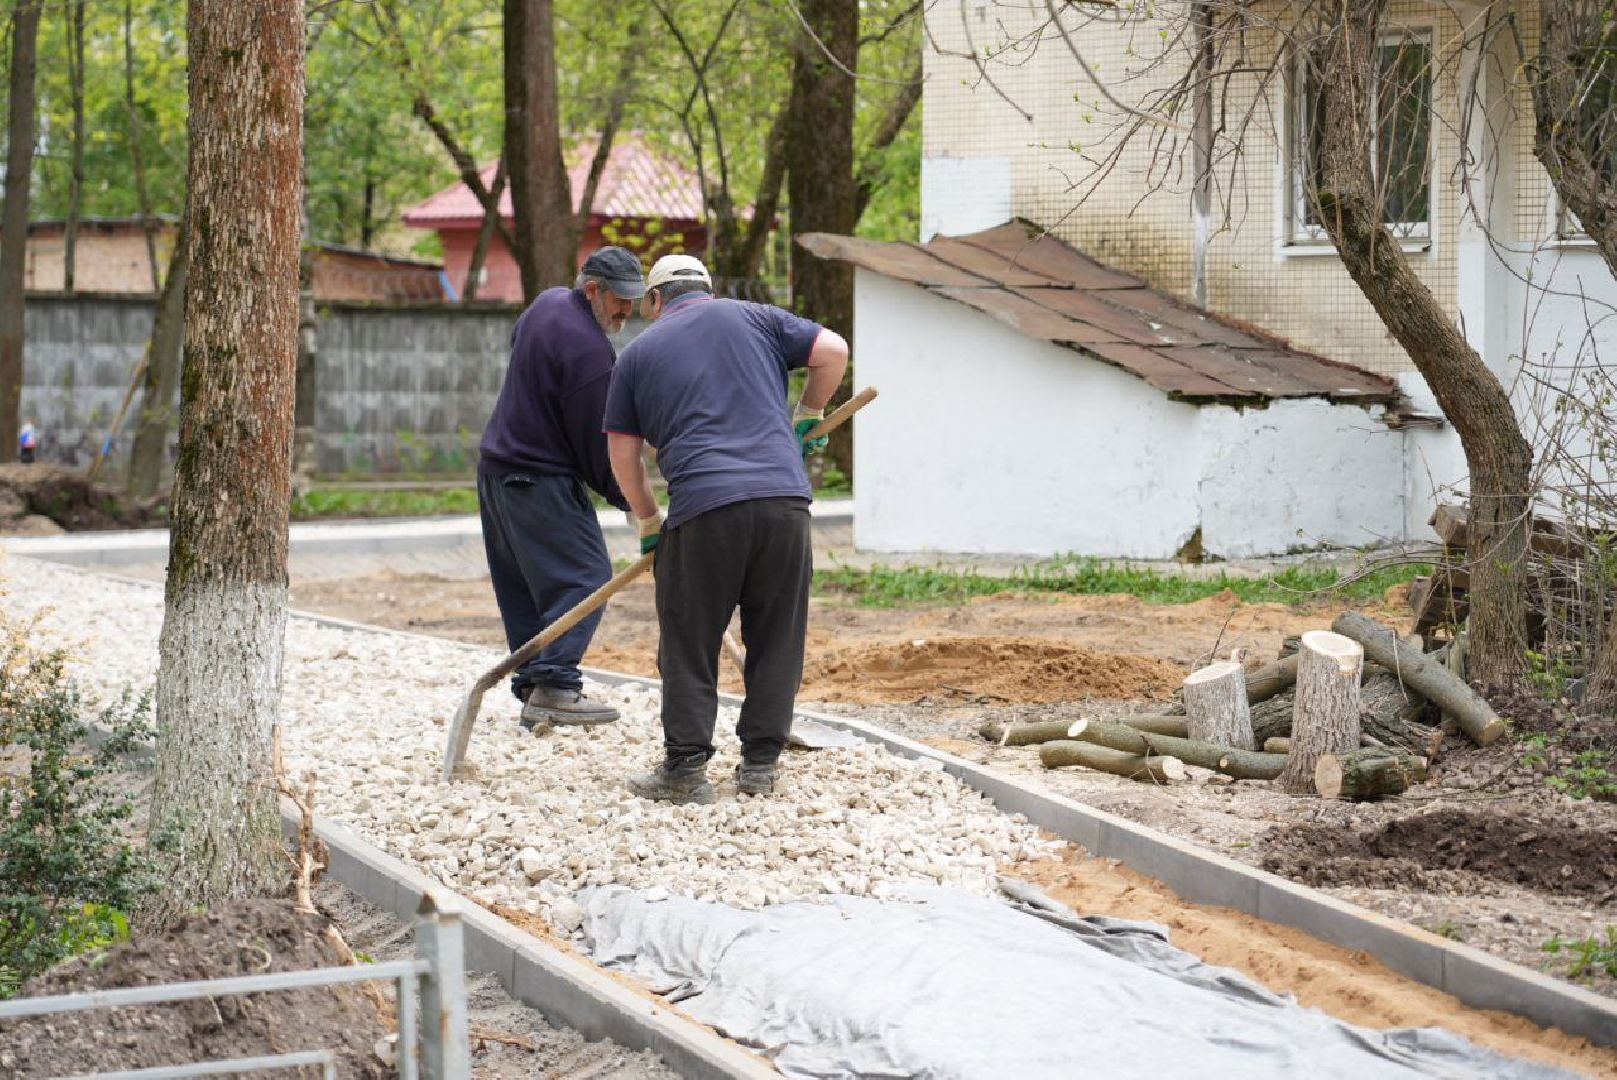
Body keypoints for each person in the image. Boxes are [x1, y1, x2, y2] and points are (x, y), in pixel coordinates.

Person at [604, 254, 850, 803]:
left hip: (705, 508)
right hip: (785, 504)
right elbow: (832, 351)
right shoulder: (759, 318)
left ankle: (686, 770)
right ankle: (760, 764)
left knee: (690, 639)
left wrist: (648, 519)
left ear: (655, 300)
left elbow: (623, 452)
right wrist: (808, 412)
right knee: (777, 636)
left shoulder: (638, 354)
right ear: (708, 291)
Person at [478, 246, 645, 729]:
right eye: (619, 300)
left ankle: (533, 685)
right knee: (585, 576)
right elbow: (598, 448)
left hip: (497, 471)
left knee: (527, 585)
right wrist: (635, 503)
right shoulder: (591, 352)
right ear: (592, 289)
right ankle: (553, 686)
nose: (626, 311)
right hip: (539, 476)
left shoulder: (546, 305)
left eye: (634, 301)